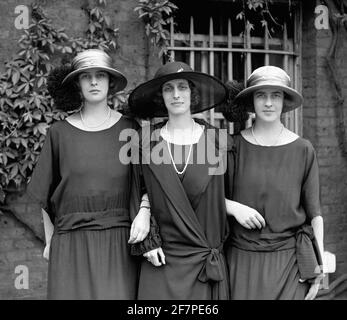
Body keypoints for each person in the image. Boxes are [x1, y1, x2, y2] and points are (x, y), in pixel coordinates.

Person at [26, 49, 153, 299]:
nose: (94, 82)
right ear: (77, 84)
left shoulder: (131, 131)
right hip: (70, 243)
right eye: (86, 77)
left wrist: (145, 212)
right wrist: (50, 241)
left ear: (110, 81)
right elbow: (45, 192)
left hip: (119, 244)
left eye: (100, 76)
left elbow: (150, 184)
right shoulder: (59, 133)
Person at [128, 61, 235, 299]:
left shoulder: (218, 142)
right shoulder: (145, 141)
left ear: (192, 93)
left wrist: (235, 207)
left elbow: (227, 193)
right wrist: (146, 225)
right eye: (168, 89)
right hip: (160, 258)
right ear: (160, 97)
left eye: (182, 87)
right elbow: (137, 190)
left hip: (203, 261)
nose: (176, 95)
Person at [224, 65, 325, 300]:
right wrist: (233, 206)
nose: (268, 102)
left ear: (284, 100)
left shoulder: (303, 149)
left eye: (275, 95)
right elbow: (207, 197)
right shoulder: (231, 147)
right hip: (241, 263)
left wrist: (319, 271)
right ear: (251, 101)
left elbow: (315, 215)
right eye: (261, 95)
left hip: (289, 265)